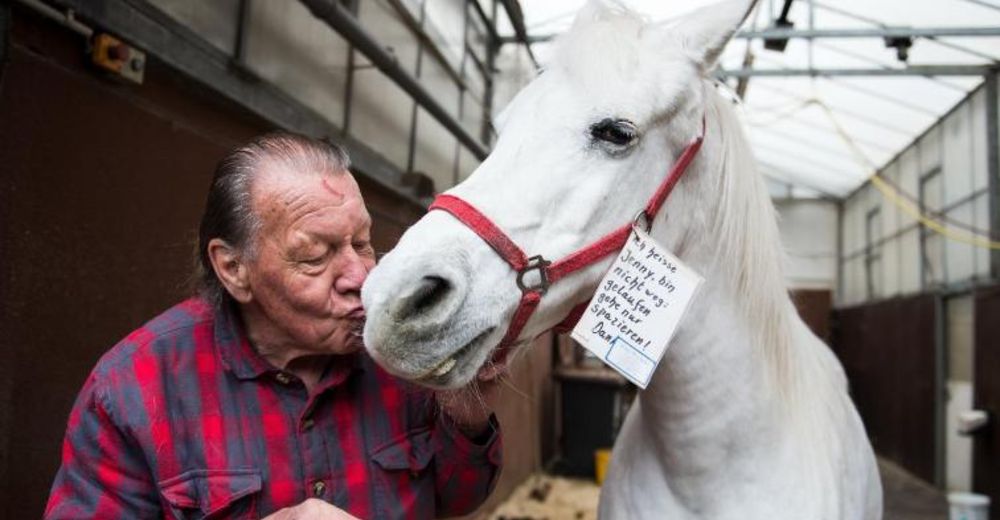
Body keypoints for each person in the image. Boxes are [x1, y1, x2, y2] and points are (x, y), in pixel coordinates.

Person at [44, 133, 503, 519]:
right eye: (314, 256)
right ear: (233, 268)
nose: (361, 278)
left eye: (362, 243)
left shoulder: (399, 350)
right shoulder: (134, 389)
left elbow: (457, 497)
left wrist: (466, 408)